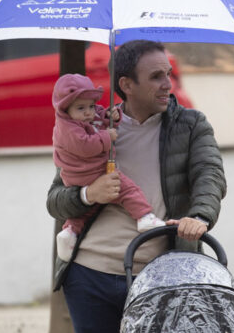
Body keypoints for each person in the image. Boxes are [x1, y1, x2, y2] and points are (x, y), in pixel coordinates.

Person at [46, 39, 227, 333]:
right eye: (155, 77)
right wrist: (86, 193)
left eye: (167, 74)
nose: (167, 84)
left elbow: (211, 175)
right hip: (90, 274)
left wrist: (200, 216)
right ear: (125, 84)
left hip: (158, 276)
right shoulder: (90, 125)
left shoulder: (190, 125)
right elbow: (55, 199)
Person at [51, 73, 164, 262]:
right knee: (126, 189)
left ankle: (70, 231)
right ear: (65, 108)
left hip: (81, 176)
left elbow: (97, 120)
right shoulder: (66, 128)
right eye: (81, 108)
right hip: (88, 172)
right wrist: (106, 137)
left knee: (88, 210)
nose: (88, 112)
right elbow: (85, 146)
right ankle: (144, 216)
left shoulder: (80, 118)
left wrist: (110, 116)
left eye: (91, 106)